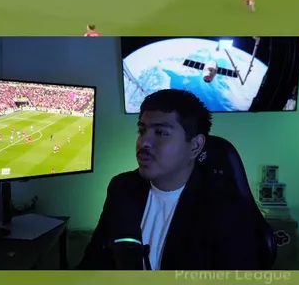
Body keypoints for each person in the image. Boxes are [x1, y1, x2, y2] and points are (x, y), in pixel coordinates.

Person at [79, 89, 265, 270]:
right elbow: (94, 262)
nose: (144, 142)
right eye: (142, 130)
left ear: (195, 146)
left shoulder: (227, 207)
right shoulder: (122, 187)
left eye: (161, 132)